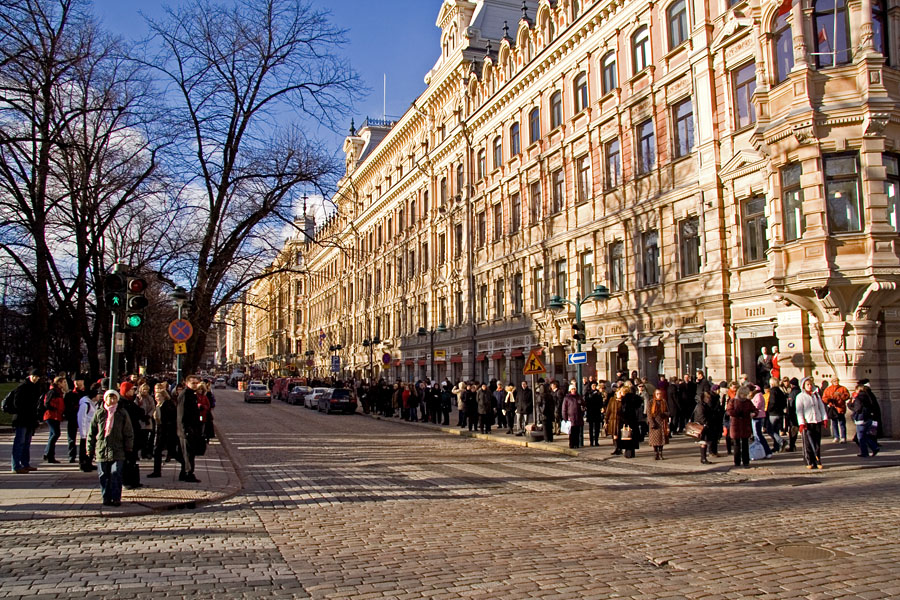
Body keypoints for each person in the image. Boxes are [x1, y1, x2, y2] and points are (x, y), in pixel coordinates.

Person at [88, 390, 134, 507]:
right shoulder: (99, 413)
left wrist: (129, 447)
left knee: (116, 474)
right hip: (102, 449)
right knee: (103, 475)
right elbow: (92, 432)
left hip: (118, 449)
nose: (112, 400)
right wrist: (90, 447)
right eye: (110, 398)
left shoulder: (122, 413)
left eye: (114, 398)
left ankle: (116, 497)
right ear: (105, 399)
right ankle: (106, 497)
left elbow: (128, 432)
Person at [8, 369, 43, 473]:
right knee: (19, 442)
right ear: (30, 376)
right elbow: (16, 403)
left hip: (29, 419)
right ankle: (16, 466)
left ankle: (25, 464)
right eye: (34, 376)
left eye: (37, 377)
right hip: (22, 419)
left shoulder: (35, 387)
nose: (36, 379)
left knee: (26, 443)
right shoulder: (22, 387)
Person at [796, 376, 828, 469]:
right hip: (807, 422)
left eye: (811, 384)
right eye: (807, 384)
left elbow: (821, 407)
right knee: (808, 443)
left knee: (817, 443)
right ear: (803, 386)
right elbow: (799, 411)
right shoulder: (800, 397)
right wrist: (801, 423)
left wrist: (824, 418)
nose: (810, 386)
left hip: (816, 420)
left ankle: (817, 459)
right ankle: (809, 460)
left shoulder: (816, 395)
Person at [147, 383, 179, 478]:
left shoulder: (168, 405)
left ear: (164, 396)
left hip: (166, 432)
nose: (156, 398)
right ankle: (157, 471)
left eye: (158, 396)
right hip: (160, 432)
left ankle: (186, 465)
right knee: (157, 451)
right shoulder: (159, 405)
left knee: (171, 452)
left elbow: (170, 419)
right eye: (156, 397)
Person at [117, 382, 144, 489]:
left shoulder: (131, 402)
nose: (134, 391)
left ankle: (133, 480)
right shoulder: (123, 403)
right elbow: (137, 413)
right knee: (128, 458)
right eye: (132, 389)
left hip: (134, 434)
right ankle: (127, 481)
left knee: (132, 458)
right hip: (127, 435)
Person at [177, 375, 202, 483]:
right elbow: (181, 414)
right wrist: (184, 430)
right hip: (187, 430)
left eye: (197, 383)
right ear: (187, 383)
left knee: (188, 453)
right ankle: (188, 473)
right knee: (188, 454)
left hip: (191, 429)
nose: (195, 385)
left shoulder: (192, 394)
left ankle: (183, 473)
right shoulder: (185, 395)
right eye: (193, 383)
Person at [727, 385, 757, 468]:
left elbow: (755, 409)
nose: (745, 396)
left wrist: (754, 413)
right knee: (736, 444)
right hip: (736, 424)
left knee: (745, 444)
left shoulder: (748, 402)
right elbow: (729, 411)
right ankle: (737, 461)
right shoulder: (733, 401)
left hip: (745, 424)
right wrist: (738, 413)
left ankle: (746, 461)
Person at [849, 383, 880, 458]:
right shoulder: (868, 396)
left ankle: (865, 452)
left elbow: (857, 408)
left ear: (858, 390)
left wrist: (850, 405)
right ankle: (874, 447)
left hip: (861, 418)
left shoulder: (859, 398)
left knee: (861, 437)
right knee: (865, 435)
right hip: (868, 418)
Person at [42, 375, 67, 463]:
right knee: (56, 434)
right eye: (63, 382)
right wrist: (55, 409)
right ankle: (48, 454)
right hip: (52, 416)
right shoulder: (53, 392)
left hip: (55, 415)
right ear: (59, 383)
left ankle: (48, 454)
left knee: (52, 435)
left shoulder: (58, 392)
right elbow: (47, 404)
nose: (65, 384)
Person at [76, 386, 100, 472]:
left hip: (92, 430)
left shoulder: (94, 404)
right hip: (86, 431)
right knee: (84, 448)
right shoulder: (85, 404)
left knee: (91, 447)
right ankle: (83, 464)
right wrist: (83, 433)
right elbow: (81, 418)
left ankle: (89, 463)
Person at [822, 376, 850, 443]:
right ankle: (836, 436)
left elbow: (847, 396)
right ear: (832, 382)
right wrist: (830, 398)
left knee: (842, 423)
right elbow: (824, 399)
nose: (836, 382)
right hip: (833, 409)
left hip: (840, 408)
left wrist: (841, 395)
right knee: (834, 423)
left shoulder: (843, 388)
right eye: (834, 381)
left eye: (837, 380)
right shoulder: (828, 389)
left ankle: (843, 437)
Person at [692, 391, 717, 464]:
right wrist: (706, 423)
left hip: (705, 426)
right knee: (703, 442)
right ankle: (703, 458)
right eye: (708, 397)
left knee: (704, 442)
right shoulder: (700, 406)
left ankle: (703, 458)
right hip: (702, 426)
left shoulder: (704, 405)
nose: (709, 399)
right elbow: (701, 416)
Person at [619, 381, 642, 459]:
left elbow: (623, 410)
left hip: (626, 419)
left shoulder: (625, 399)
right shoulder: (635, 397)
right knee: (633, 435)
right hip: (634, 419)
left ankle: (628, 452)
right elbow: (639, 404)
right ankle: (632, 451)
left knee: (627, 434)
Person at [749, 384, 773, 458]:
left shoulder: (758, 395)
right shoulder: (756, 396)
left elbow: (757, 406)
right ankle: (762, 451)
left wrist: (751, 407)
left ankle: (767, 451)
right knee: (757, 436)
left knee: (758, 435)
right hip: (756, 416)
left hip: (758, 416)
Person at [64, 379, 84, 464]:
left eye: (80, 381)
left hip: (82, 418)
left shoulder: (84, 394)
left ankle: (83, 456)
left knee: (84, 437)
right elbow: (66, 407)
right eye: (76, 381)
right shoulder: (69, 394)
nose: (78, 383)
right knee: (71, 438)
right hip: (72, 417)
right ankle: (72, 455)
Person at [766, 377, 788, 453]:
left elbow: (772, 402)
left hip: (773, 413)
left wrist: (768, 410)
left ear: (771, 384)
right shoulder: (780, 391)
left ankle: (781, 441)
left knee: (770, 430)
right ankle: (776, 447)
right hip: (780, 413)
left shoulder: (773, 391)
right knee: (776, 430)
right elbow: (784, 403)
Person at [647, 389, 669, 460]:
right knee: (655, 440)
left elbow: (667, 411)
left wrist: (665, 414)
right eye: (657, 394)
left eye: (660, 393)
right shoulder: (651, 402)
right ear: (655, 394)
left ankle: (661, 453)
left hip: (662, 422)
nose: (659, 395)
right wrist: (652, 423)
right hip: (654, 422)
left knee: (661, 440)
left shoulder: (663, 402)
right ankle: (656, 453)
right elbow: (649, 414)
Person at [136, 383, 156, 459]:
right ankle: (139, 453)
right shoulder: (138, 397)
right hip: (140, 420)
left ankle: (145, 453)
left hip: (147, 420)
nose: (145, 391)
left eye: (147, 390)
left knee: (146, 438)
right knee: (139, 438)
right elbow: (136, 407)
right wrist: (141, 416)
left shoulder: (149, 398)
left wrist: (149, 415)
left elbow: (152, 407)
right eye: (144, 389)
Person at [561, 384, 584, 449]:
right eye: (572, 389)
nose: (573, 390)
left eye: (574, 389)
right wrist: (565, 417)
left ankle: (576, 444)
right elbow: (564, 409)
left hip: (578, 417)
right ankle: (571, 444)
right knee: (571, 432)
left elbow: (583, 404)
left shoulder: (578, 397)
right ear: (570, 390)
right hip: (571, 417)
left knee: (577, 431)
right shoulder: (567, 398)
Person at [585, 382, 605, 447]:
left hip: (597, 412)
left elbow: (601, 402)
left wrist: (601, 407)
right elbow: (586, 401)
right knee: (591, 428)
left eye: (595, 385)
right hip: (590, 412)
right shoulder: (588, 393)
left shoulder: (598, 393)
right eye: (593, 385)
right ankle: (591, 441)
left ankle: (596, 441)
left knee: (597, 427)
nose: (594, 386)